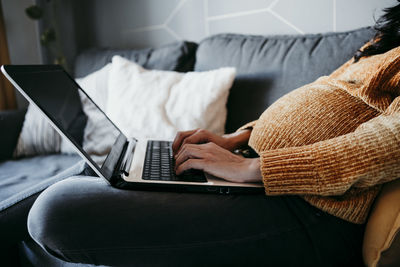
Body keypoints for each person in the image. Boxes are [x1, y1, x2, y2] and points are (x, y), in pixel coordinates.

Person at [27, 2, 400, 267]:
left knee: (52, 211)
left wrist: (254, 170)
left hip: (307, 210)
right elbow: (318, 101)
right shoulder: (379, 46)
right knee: (99, 171)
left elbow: (389, 140)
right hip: (262, 183)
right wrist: (235, 140)